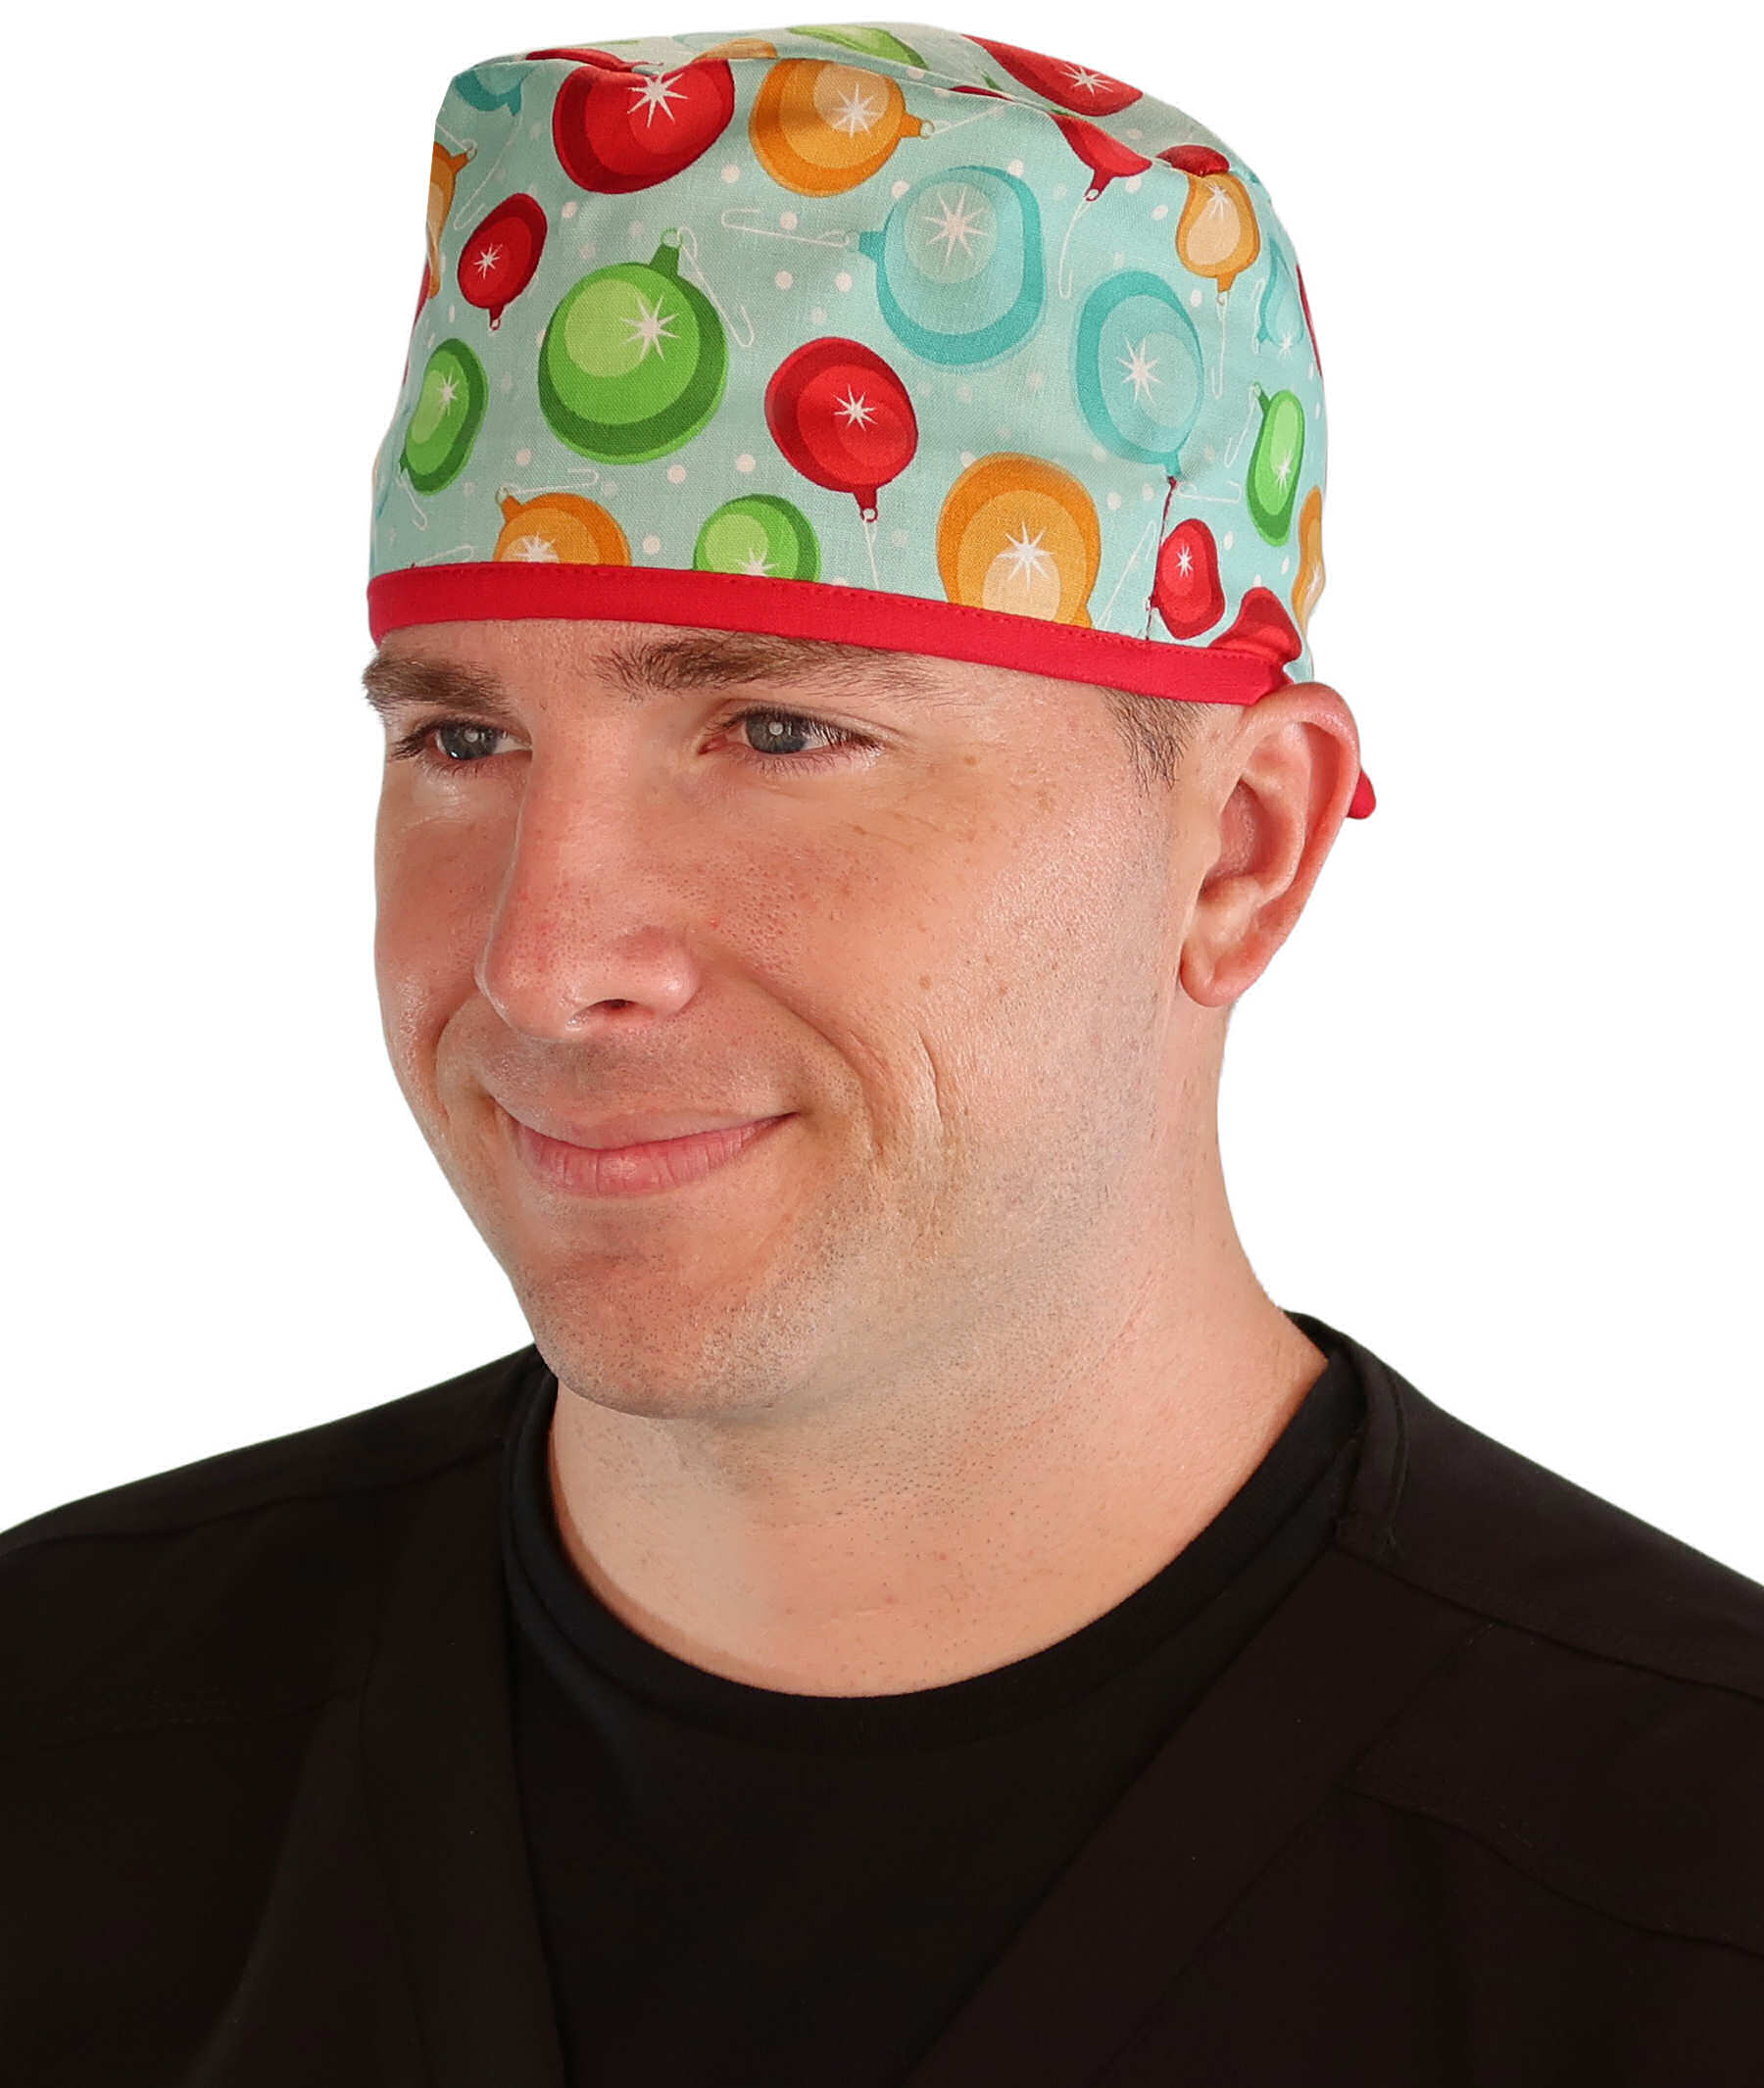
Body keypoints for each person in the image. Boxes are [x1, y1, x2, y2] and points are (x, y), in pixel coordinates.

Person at [3, 23, 1760, 2084]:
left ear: (1244, 849)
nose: (547, 959)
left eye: (777, 732)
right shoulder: (60, 1733)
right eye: (462, 740)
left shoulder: (1688, 1898)